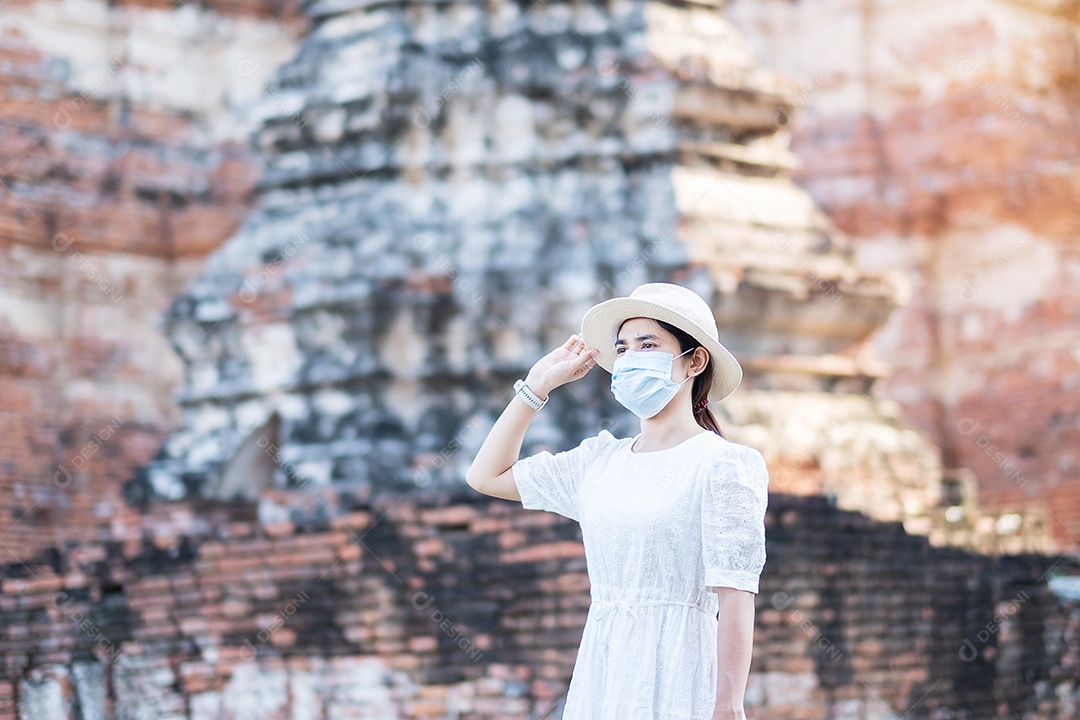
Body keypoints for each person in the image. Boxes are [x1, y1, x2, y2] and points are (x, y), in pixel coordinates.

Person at [466, 282, 769, 720]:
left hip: (680, 672)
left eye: (648, 345)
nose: (630, 358)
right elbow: (485, 475)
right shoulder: (598, 461)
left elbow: (737, 593)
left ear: (695, 360)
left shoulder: (724, 464)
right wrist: (536, 388)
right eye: (623, 349)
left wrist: (728, 705)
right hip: (603, 672)